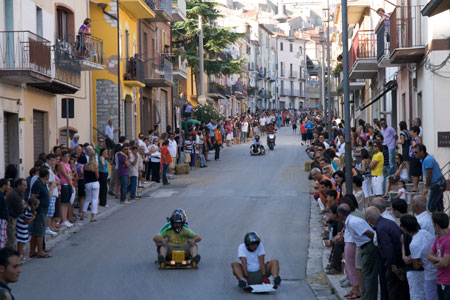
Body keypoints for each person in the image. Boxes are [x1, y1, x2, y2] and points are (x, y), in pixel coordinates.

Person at [366, 206, 410, 300]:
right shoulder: (388, 222)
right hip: (398, 257)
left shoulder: (381, 227)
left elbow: (388, 247)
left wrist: (392, 264)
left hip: (393, 260)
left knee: (392, 288)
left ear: (370, 218)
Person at [337, 204, 378, 300]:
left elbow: (369, 234)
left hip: (368, 246)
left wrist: (375, 243)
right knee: (365, 274)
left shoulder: (353, 222)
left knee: (367, 275)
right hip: (364, 246)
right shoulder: (351, 221)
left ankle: (368, 297)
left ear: (340, 214)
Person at [400, 214, 438, 300]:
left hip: (428, 272)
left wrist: (415, 260)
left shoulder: (414, 244)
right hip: (435, 270)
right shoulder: (425, 233)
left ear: (405, 229)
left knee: (419, 295)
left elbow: (416, 265)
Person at [414, 143, 446, 212]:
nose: (414, 154)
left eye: (416, 152)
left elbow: (429, 176)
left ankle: (436, 221)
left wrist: (426, 187)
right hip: (439, 184)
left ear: (422, 151)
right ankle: (440, 221)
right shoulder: (424, 159)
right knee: (439, 206)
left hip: (438, 185)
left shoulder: (428, 160)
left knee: (431, 206)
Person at [29, 167, 52, 258]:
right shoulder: (38, 184)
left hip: (43, 211)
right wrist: (34, 210)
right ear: (47, 175)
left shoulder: (43, 183)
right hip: (39, 211)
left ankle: (32, 251)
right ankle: (40, 251)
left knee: (36, 232)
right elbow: (33, 197)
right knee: (40, 231)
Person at [427, 213, 450, 300]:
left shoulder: (448, 239)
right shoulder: (438, 237)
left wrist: (436, 262)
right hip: (440, 279)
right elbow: (429, 256)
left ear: (436, 225)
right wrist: (439, 260)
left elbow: (445, 263)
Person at [6, 179, 26, 250]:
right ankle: (11, 256)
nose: (25, 187)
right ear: (18, 186)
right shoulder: (14, 195)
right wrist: (24, 205)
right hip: (11, 218)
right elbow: (20, 209)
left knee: (13, 236)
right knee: (11, 238)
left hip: (14, 217)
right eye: (24, 185)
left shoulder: (19, 193)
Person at [83, 146, 99, 222]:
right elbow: (97, 176)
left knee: (87, 199)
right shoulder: (95, 166)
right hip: (95, 183)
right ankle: (92, 216)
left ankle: (83, 213)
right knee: (94, 200)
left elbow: (84, 174)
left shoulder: (85, 166)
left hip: (87, 183)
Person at [0, 180, 9, 249]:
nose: (9, 187)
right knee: (2, 239)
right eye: (8, 185)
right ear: (4, 185)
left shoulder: (2, 195)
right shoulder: (0, 196)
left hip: (3, 219)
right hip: (1, 219)